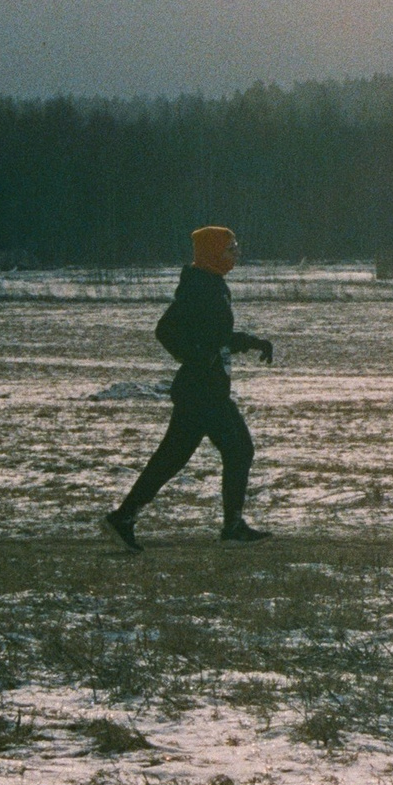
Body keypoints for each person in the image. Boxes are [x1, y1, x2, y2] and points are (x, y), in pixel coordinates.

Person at [103, 226, 275, 551]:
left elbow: (215, 336)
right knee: (239, 449)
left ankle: (123, 517)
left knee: (172, 458)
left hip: (203, 389)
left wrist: (251, 343)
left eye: (236, 247)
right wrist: (199, 355)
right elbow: (166, 330)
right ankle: (233, 528)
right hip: (202, 391)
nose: (236, 253)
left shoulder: (212, 284)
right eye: (230, 249)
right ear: (212, 253)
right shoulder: (199, 286)